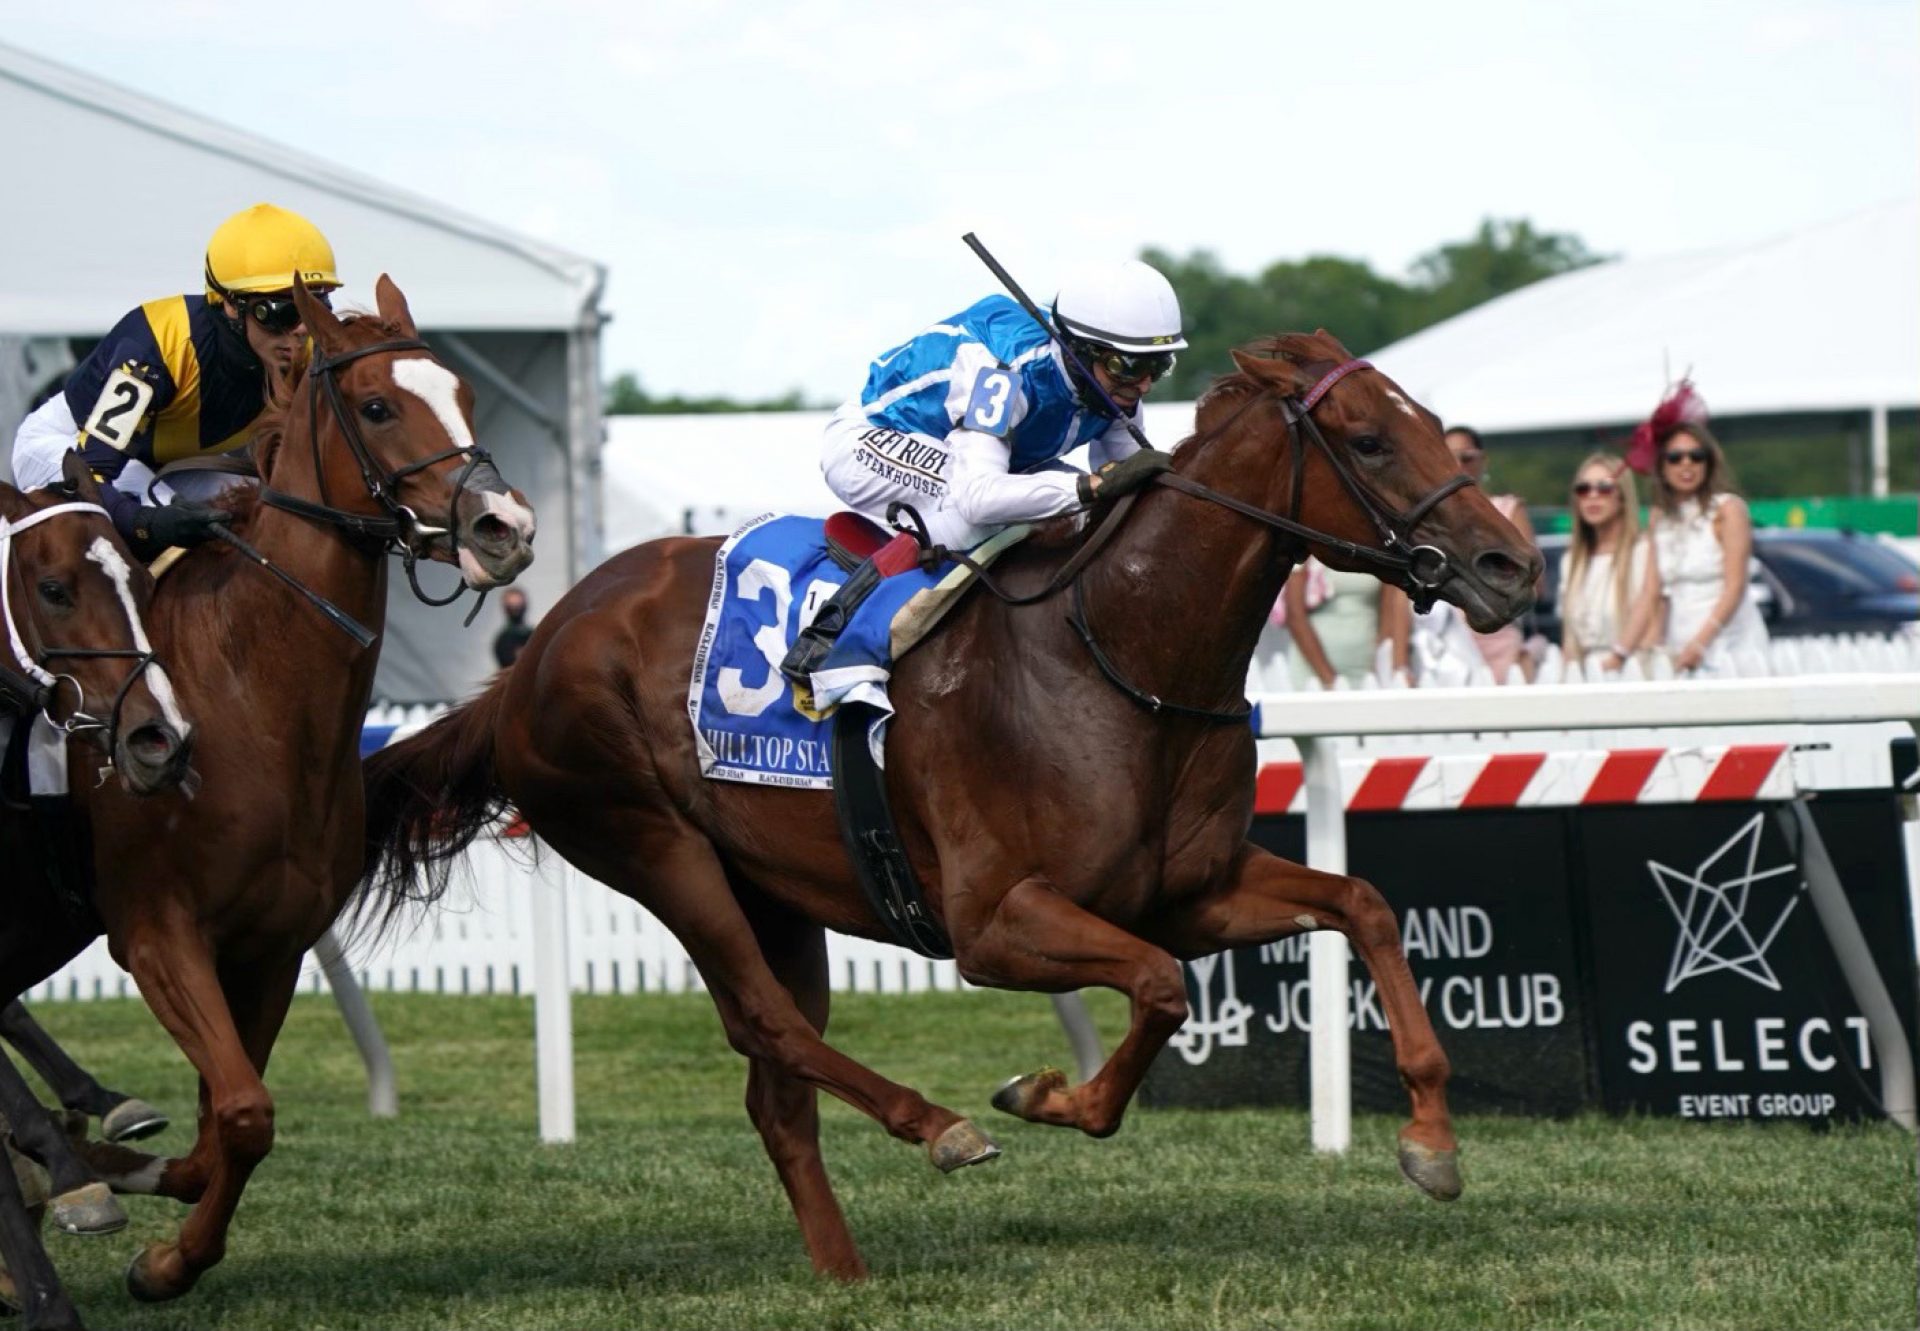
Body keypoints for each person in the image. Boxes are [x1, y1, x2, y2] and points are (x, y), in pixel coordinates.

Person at [781, 259, 1186, 685]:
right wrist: (1092, 486)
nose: (1143, 385)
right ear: (1078, 351)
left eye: (1158, 365)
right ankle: (833, 635)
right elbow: (981, 497)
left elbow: (1125, 480)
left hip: (974, 452)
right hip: (870, 440)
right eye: (1128, 366)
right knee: (994, 509)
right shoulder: (1003, 373)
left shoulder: (1113, 382)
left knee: (1074, 506)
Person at [10, 203, 341, 557]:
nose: (302, 330)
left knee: (271, 511)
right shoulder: (157, 347)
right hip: (69, 451)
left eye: (314, 308)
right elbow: (90, 475)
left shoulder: (303, 354)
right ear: (231, 305)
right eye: (283, 312)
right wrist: (145, 525)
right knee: (177, 533)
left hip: (165, 465)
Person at [1628, 381, 1769, 674]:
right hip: (1681, 639)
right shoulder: (1659, 517)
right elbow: (1650, 593)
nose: (1686, 464)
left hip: (1730, 639)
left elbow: (1735, 586)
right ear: (1663, 466)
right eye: (1675, 457)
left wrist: (1702, 642)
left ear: (1708, 462)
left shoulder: (1728, 509)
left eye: (1696, 456)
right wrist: (1624, 650)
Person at [1444, 425, 1543, 681]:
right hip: (1444, 645)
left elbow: (1536, 584)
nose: (1458, 465)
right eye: (1448, 456)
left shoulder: (1509, 510)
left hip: (1500, 642)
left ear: (1482, 461)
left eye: (1467, 457)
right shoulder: (1425, 523)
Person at [1557, 452, 1654, 673]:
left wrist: (1618, 659)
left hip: (1635, 671)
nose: (1592, 496)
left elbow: (1652, 624)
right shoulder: (1571, 561)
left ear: (1622, 497)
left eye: (1604, 488)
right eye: (1583, 489)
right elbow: (1569, 642)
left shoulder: (1644, 551)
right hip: (1584, 676)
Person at [1282, 557, 1409, 688]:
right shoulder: (1310, 548)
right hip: (1312, 671)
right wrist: (1329, 679)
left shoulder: (1380, 545)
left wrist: (1386, 663)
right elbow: (1294, 615)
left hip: (1367, 669)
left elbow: (1390, 611)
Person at [492, 588, 535, 668]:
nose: (516, 609)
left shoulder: (535, 635)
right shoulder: (503, 640)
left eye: (519, 605)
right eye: (512, 606)